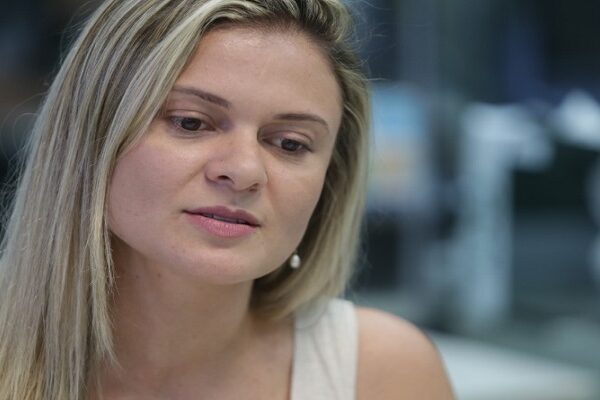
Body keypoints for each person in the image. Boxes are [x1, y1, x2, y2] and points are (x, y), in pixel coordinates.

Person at [0, 0, 454, 399]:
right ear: (92, 136)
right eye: (191, 122)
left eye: (290, 143)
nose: (243, 171)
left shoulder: (382, 375)